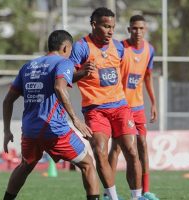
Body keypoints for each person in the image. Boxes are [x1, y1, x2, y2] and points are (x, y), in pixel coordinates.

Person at [2, 30, 100, 200]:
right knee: (88, 164)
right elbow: (59, 87)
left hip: (30, 130)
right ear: (65, 47)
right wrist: (75, 119)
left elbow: (7, 101)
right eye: (70, 50)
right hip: (54, 129)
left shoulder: (28, 66)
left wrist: (6, 131)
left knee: (25, 165)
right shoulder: (64, 62)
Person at [69, 7, 143, 200]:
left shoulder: (118, 47)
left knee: (132, 151)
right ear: (94, 25)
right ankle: (112, 197)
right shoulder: (81, 47)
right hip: (95, 110)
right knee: (100, 150)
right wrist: (81, 72)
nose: (110, 31)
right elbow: (66, 78)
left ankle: (137, 197)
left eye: (112, 27)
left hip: (120, 106)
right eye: (105, 26)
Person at [107, 15, 158, 200]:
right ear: (129, 30)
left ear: (145, 30)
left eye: (141, 28)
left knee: (142, 145)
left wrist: (153, 103)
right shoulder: (120, 48)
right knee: (117, 148)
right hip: (120, 106)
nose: (138, 32)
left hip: (138, 107)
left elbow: (148, 77)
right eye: (134, 28)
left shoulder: (150, 50)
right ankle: (108, 193)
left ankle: (146, 191)